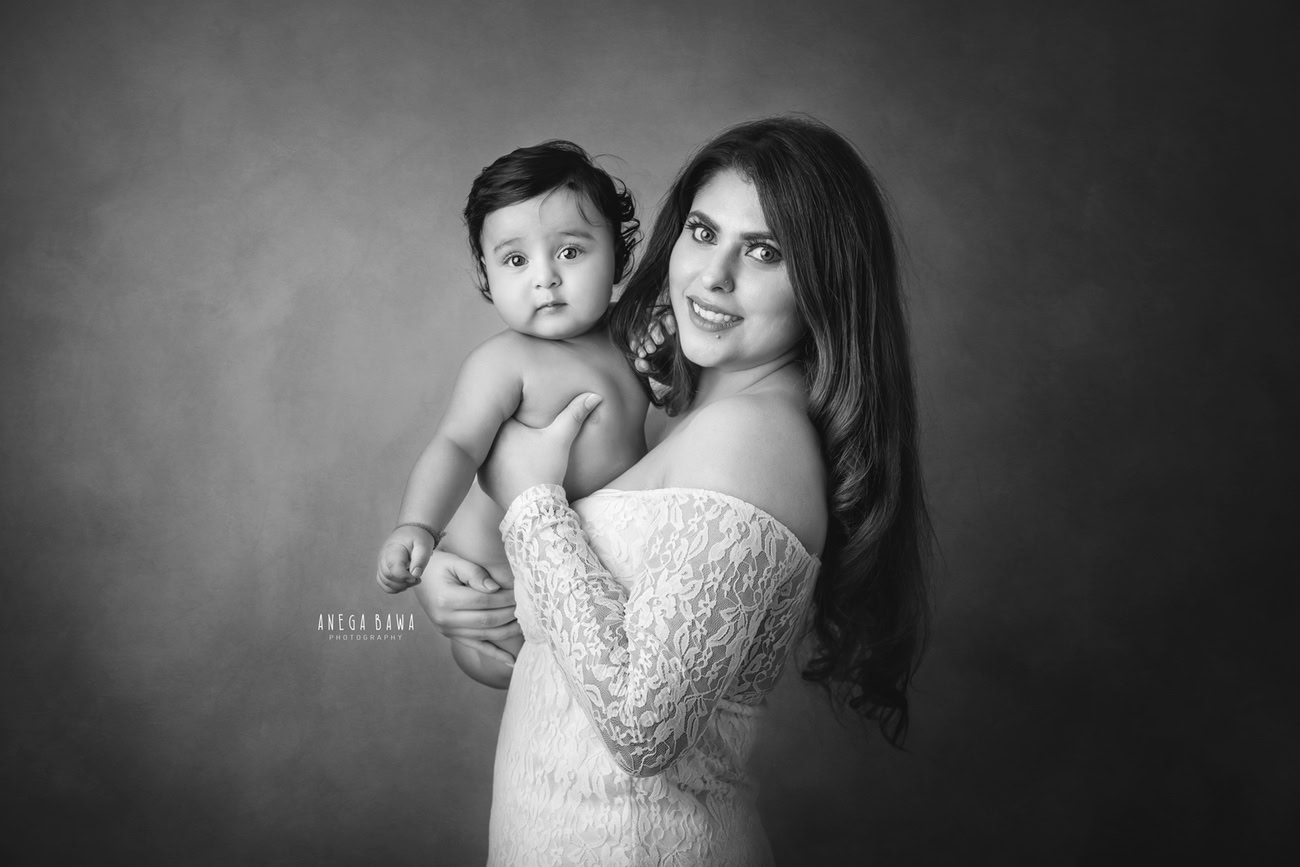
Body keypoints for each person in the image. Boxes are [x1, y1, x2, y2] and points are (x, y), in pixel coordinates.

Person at [418, 116, 931, 865]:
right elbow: (587, 664)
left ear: (825, 280)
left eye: (763, 251)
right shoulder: (698, 423)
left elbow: (641, 728)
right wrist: (458, 591)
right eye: (701, 231)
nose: (712, 276)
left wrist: (533, 505)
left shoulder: (751, 439)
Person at [375, 141, 649, 678]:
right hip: (496, 588)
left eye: (570, 252)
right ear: (486, 275)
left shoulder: (636, 333)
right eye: (516, 260)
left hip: (591, 585)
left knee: (609, 677)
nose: (544, 278)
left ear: (617, 252)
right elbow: (456, 445)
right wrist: (419, 526)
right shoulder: (505, 361)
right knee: (514, 667)